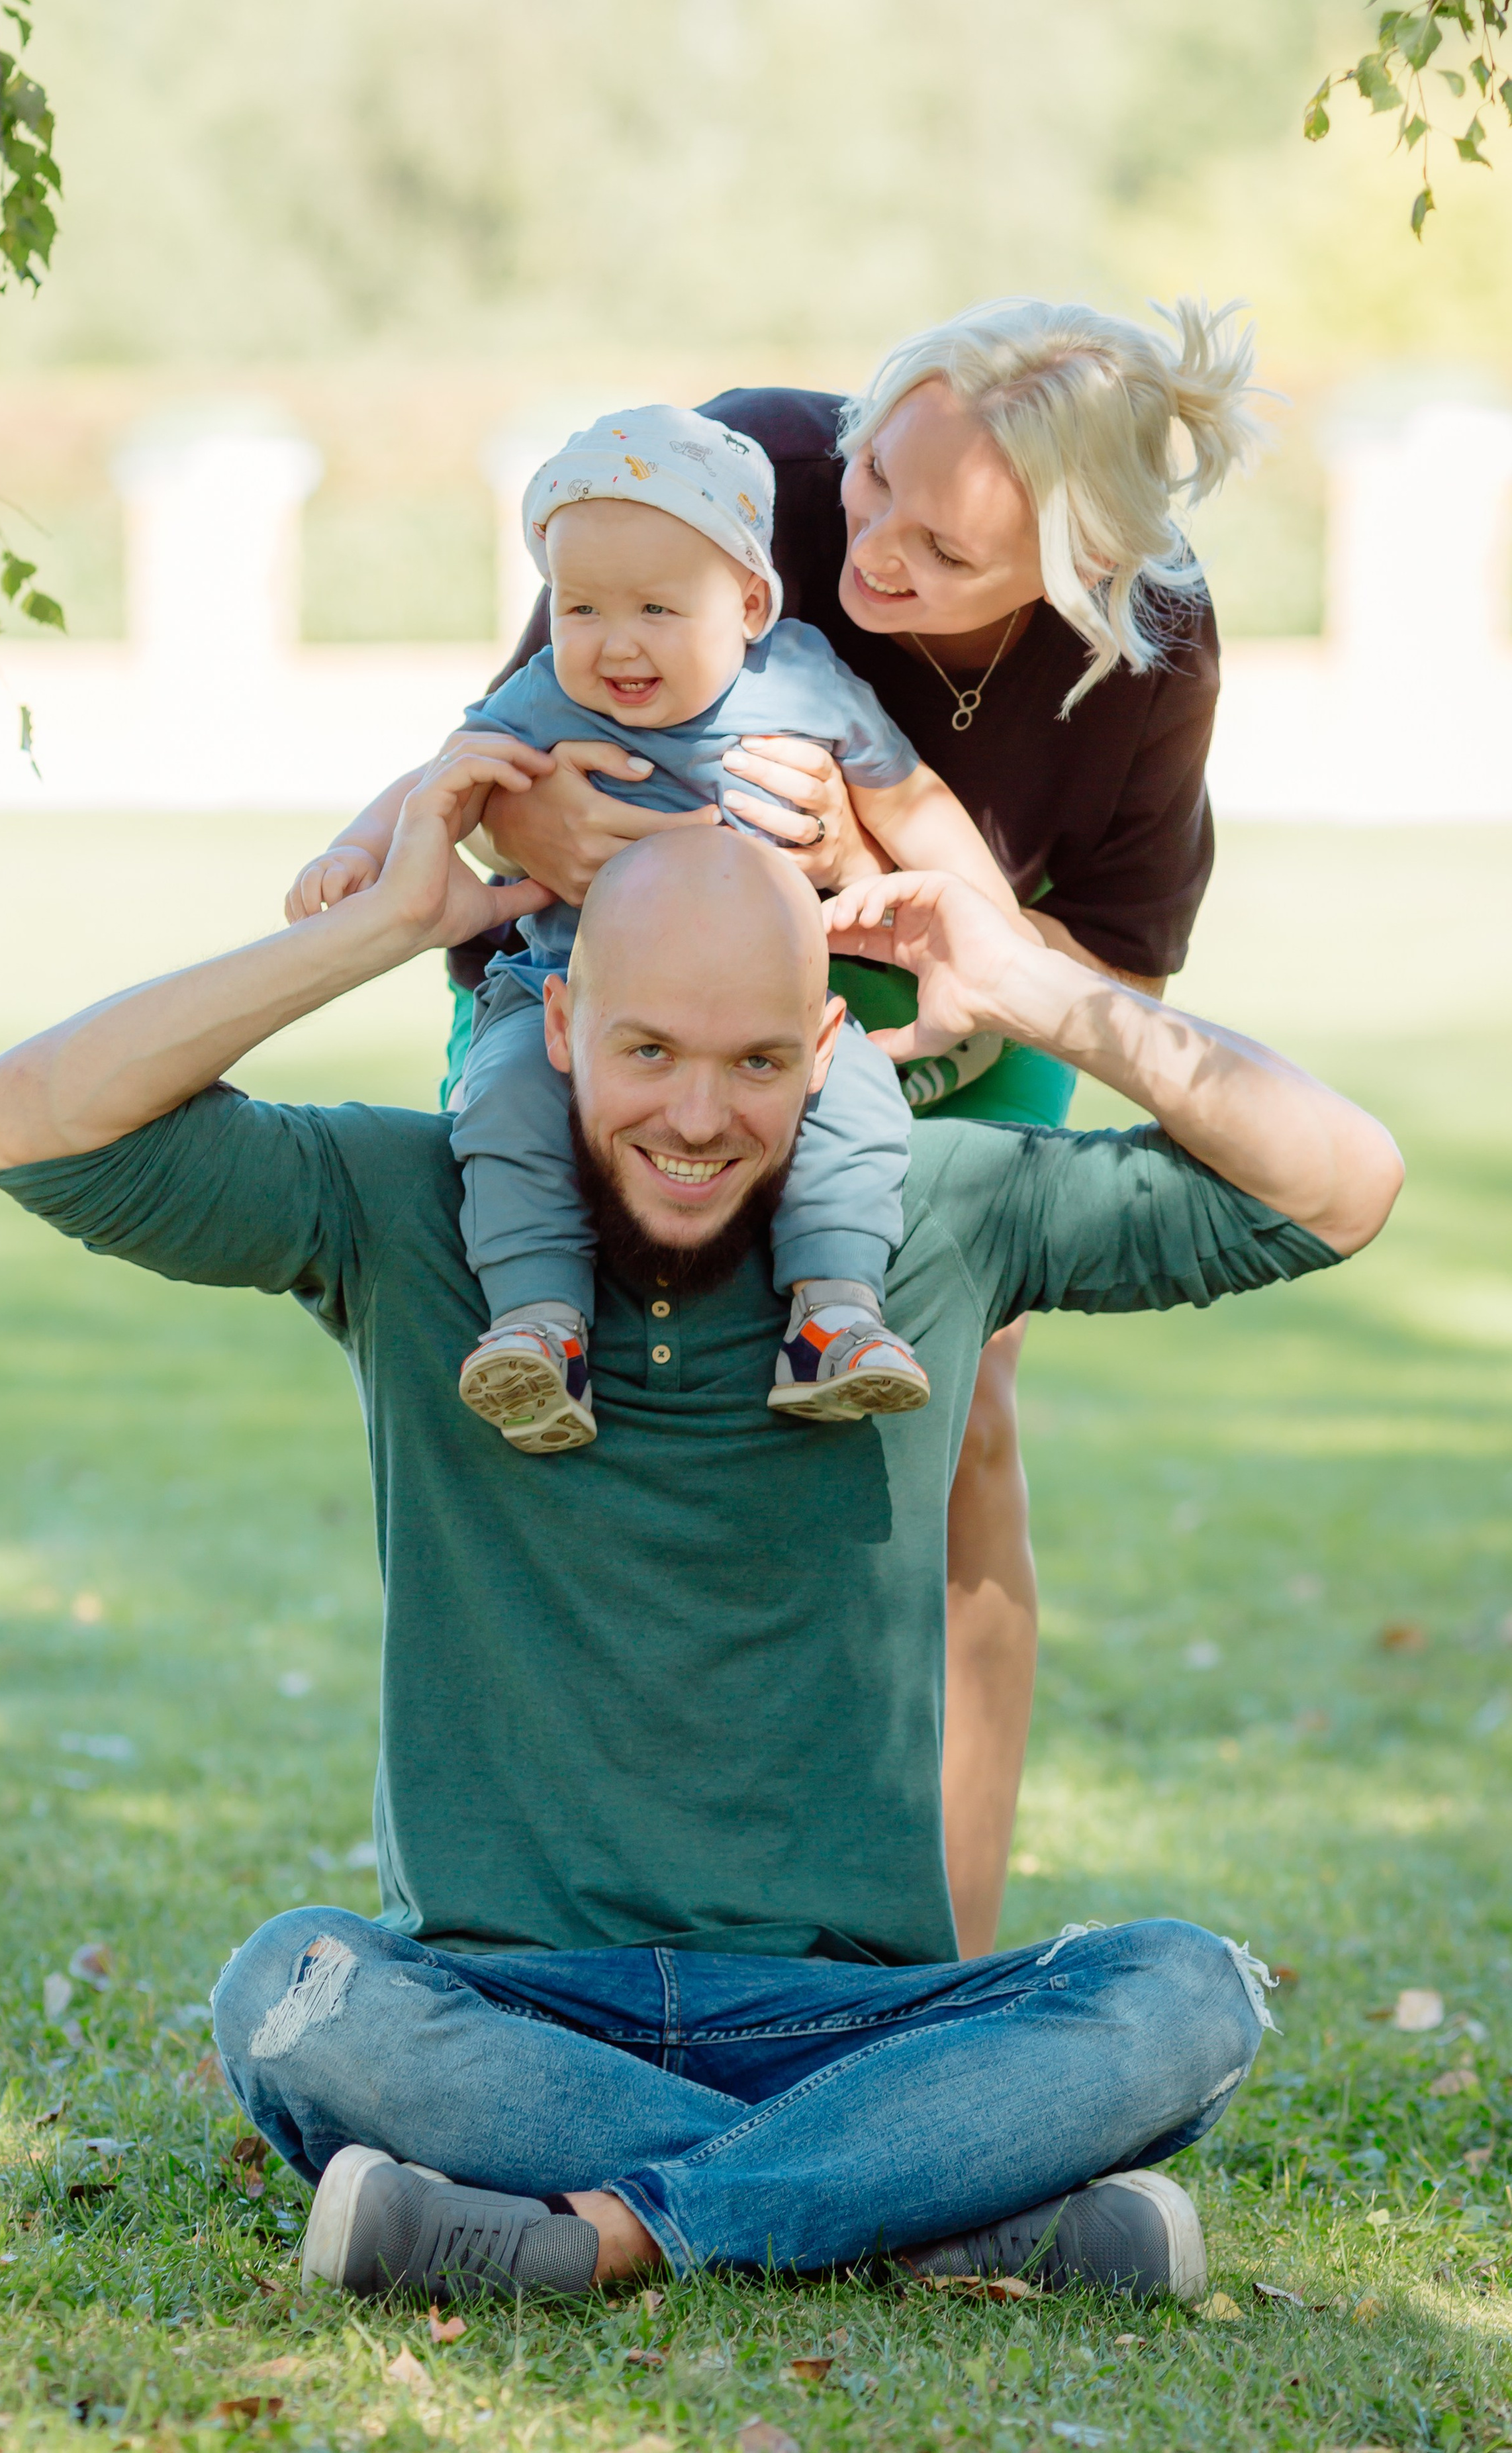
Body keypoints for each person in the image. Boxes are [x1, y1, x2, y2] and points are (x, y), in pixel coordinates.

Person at [0, 753, 1401, 2307]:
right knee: (296, 1993)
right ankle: (923, 2205)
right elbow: (33, 1122)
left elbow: (1338, 1182)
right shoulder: (405, 1201)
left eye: (757, 1062)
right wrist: (378, 927)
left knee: (1183, 1994)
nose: (699, 1117)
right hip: (501, 1999)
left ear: (826, 1050)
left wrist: (1032, 985)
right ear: (562, 1023)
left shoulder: (934, 1209)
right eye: (646, 1049)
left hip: (852, 2012)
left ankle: (609, 2233)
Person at [453, 296, 1266, 1955]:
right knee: (580, 1385)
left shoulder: (1149, 657)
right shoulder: (761, 468)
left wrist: (878, 869)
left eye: (945, 548)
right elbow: (514, 749)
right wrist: (558, 824)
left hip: (957, 1008)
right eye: (879, 480)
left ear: (1079, 566)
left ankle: (940, 1954)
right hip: (619, 978)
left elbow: (1105, 972)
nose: (870, 550)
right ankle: (548, 1912)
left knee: (959, 1438)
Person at [287, 403, 1028, 1452]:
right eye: (580, 607)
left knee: (857, 1106)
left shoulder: (804, 683)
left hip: (765, 1015)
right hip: (563, 993)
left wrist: (990, 922)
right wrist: (366, 847)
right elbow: (440, 776)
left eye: (656, 609)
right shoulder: (546, 697)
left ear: (752, 603)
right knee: (505, 1107)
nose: (614, 643)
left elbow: (911, 800)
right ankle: (542, 1329)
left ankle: (833, 1317)